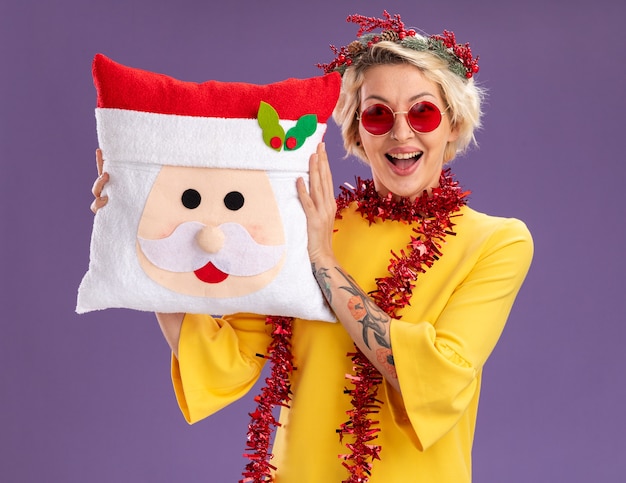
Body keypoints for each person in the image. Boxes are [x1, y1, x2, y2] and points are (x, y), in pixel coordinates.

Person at [91, 11, 533, 483]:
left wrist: (322, 260)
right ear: (357, 131)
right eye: (378, 113)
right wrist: (147, 226)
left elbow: (435, 376)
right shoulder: (305, 225)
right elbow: (227, 358)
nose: (401, 133)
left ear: (452, 122)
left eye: (422, 111)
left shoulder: (497, 242)